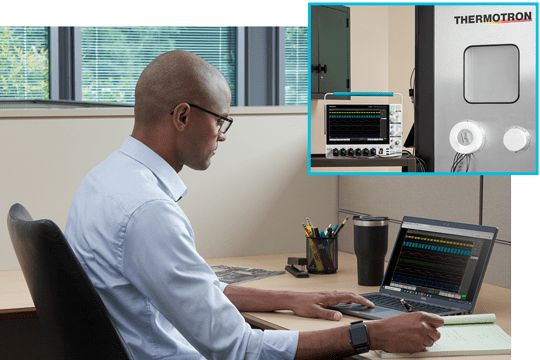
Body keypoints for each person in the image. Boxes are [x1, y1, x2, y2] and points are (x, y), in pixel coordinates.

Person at [65, 50, 443, 360]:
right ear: (182, 116)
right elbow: (239, 350)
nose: (221, 137)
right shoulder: (148, 211)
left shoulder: (104, 180)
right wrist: (371, 335)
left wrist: (291, 299)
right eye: (220, 122)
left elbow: (198, 293)